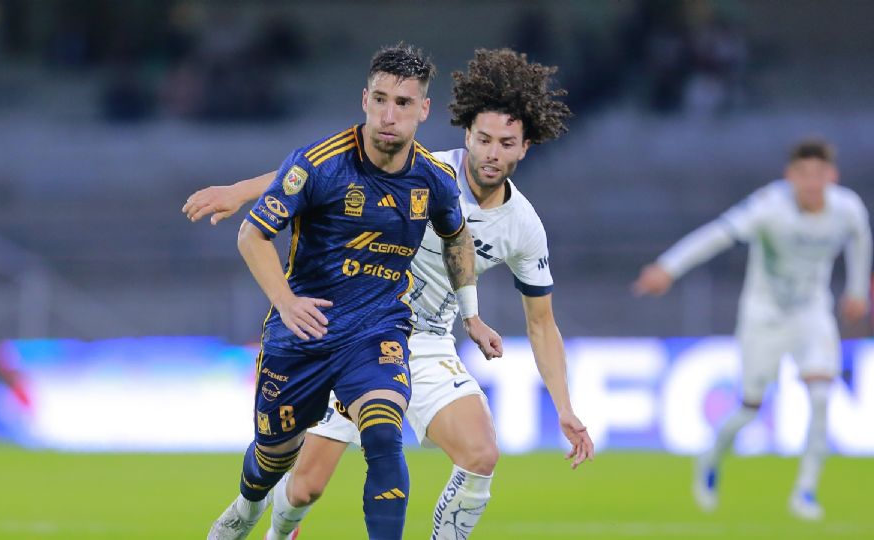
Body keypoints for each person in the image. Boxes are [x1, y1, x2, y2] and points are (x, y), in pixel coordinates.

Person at [185, 48, 595, 539]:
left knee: (480, 452)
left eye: (506, 143)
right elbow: (312, 175)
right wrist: (241, 191)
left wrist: (563, 406)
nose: (491, 152)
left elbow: (541, 323)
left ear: (525, 147)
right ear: (465, 134)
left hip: (417, 342)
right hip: (343, 325)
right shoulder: (427, 167)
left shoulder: (524, 227)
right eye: (483, 139)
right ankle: (272, 527)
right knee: (304, 487)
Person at [633, 139, 872, 521]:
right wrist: (668, 267)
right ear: (790, 177)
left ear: (832, 176)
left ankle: (805, 493)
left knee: (823, 397)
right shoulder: (769, 206)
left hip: (813, 312)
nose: (811, 183)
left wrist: (857, 289)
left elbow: (861, 238)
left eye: (819, 175)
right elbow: (717, 234)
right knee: (750, 409)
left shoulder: (847, 208)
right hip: (764, 316)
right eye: (803, 175)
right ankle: (710, 459)